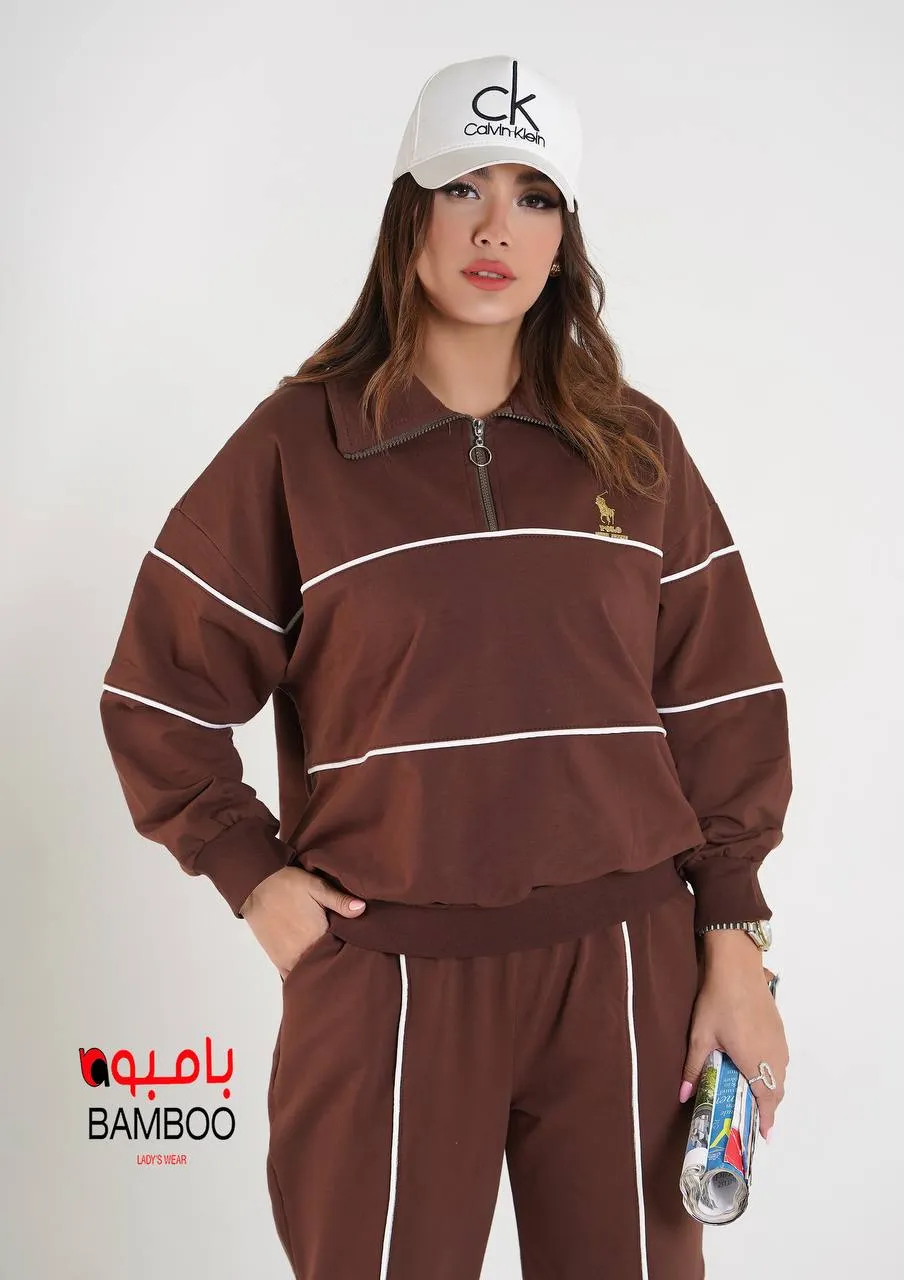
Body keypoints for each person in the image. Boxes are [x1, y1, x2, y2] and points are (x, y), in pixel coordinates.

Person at [99, 53, 792, 1280]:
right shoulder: (297, 445)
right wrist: (253, 877)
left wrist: (732, 937)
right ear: (405, 215)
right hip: (389, 972)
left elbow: (720, 697)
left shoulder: (634, 447)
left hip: (626, 963)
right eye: (462, 186)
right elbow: (158, 690)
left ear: (565, 239)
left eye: (535, 196)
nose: (494, 227)